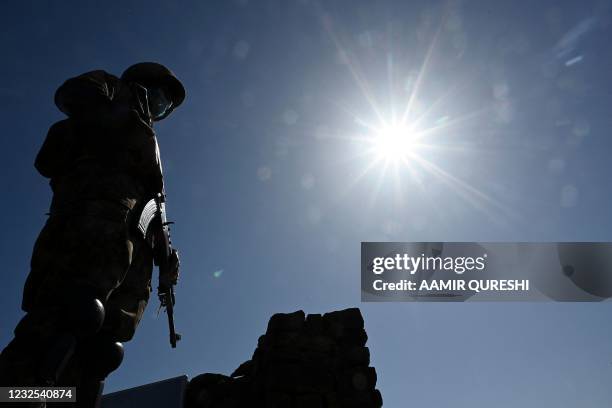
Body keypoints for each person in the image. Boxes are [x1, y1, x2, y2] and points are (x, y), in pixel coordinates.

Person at [0, 62, 185, 407]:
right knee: (69, 318)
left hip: (128, 257)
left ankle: (60, 401)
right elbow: (72, 93)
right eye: (159, 98)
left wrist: (165, 255)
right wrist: (120, 118)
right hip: (92, 228)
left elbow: (151, 211)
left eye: (166, 107)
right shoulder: (115, 92)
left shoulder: (146, 143)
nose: (160, 110)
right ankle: (16, 398)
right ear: (141, 85)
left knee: (102, 351)